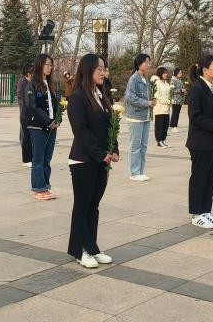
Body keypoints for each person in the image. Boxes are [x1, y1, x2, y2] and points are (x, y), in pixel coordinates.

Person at [66, 54, 118, 268]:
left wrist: (113, 149)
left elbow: (111, 126)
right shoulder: (77, 97)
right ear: (88, 70)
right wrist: (100, 154)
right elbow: (81, 131)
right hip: (83, 161)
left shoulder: (102, 95)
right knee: (82, 207)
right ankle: (79, 250)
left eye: (104, 69)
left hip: (101, 161)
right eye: (99, 69)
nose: (103, 73)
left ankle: (92, 247)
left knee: (93, 206)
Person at [187, 55, 213, 226]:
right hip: (201, 142)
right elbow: (195, 117)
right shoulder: (196, 88)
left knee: (211, 179)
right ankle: (196, 214)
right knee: (200, 178)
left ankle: (206, 211)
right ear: (205, 70)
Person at [23, 54, 60, 199]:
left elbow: (56, 104)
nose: (50, 67)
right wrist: (48, 121)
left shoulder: (51, 84)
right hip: (38, 126)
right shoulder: (32, 84)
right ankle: (38, 189)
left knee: (47, 158)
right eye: (47, 64)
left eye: (51, 65)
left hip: (51, 126)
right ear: (39, 65)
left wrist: (57, 119)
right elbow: (32, 107)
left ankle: (45, 186)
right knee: (38, 158)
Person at [123, 53, 155, 181]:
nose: (148, 64)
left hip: (145, 116)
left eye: (148, 62)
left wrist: (151, 102)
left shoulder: (145, 78)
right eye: (146, 62)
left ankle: (140, 171)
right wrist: (147, 103)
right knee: (135, 146)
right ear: (139, 63)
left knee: (143, 146)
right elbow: (130, 97)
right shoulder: (134, 79)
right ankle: (134, 172)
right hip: (135, 116)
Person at [16, 65, 33, 168]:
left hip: (31, 109)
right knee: (24, 131)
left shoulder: (32, 81)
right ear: (28, 73)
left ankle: (29, 153)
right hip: (24, 109)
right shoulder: (22, 81)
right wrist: (24, 107)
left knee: (28, 132)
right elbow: (20, 96)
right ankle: (24, 150)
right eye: (32, 73)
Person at [152, 67, 172, 148]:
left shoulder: (167, 84)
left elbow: (170, 94)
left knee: (165, 125)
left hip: (166, 109)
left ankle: (163, 140)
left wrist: (171, 100)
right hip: (159, 108)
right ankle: (159, 141)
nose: (166, 74)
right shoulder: (157, 83)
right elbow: (157, 96)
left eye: (166, 73)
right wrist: (167, 101)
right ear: (160, 74)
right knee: (159, 126)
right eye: (164, 73)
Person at [168, 67, 185, 133]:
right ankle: (173, 126)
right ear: (176, 73)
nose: (181, 74)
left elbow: (182, 88)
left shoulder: (180, 80)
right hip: (175, 100)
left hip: (180, 100)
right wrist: (180, 90)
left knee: (177, 113)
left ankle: (175, 126)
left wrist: (184, 90)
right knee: (175, 113)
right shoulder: (173, 80)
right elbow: (172, 90)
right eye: (179, 73)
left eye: (181, 73)